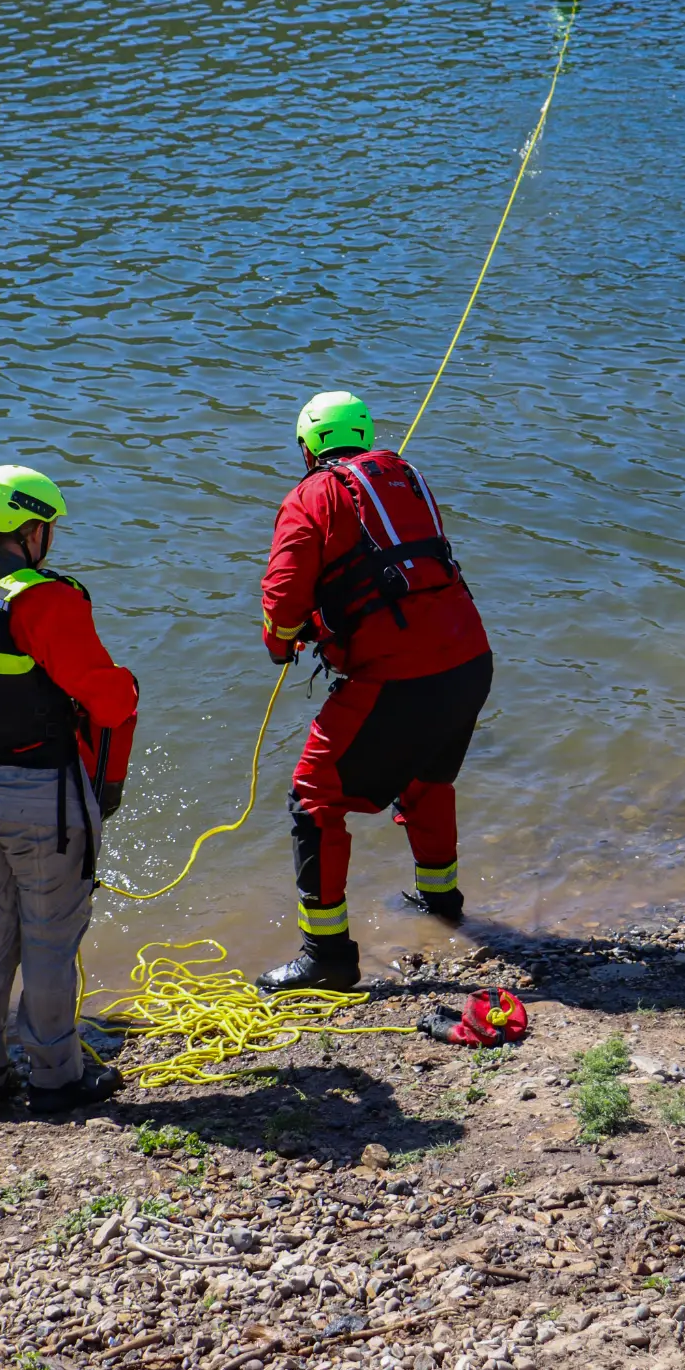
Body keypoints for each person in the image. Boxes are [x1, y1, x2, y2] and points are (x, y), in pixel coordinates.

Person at [0, 463, 139, 1122]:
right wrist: (125, 684)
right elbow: (107, 697)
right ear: (29, 530)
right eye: (48, 528)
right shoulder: (44, 599)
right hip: (41, 798)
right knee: (48, 940)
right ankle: (53, 1078)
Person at [256, 393, 494, 991]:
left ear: (307, 445)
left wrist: (281, 642)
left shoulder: (310, 494)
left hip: (399, 675)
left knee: (313, 796)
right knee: (426, 776)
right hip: (469, 661)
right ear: (364, 435)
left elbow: (283, 593)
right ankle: (440, 903)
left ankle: (326, 955)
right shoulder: (407, 474)